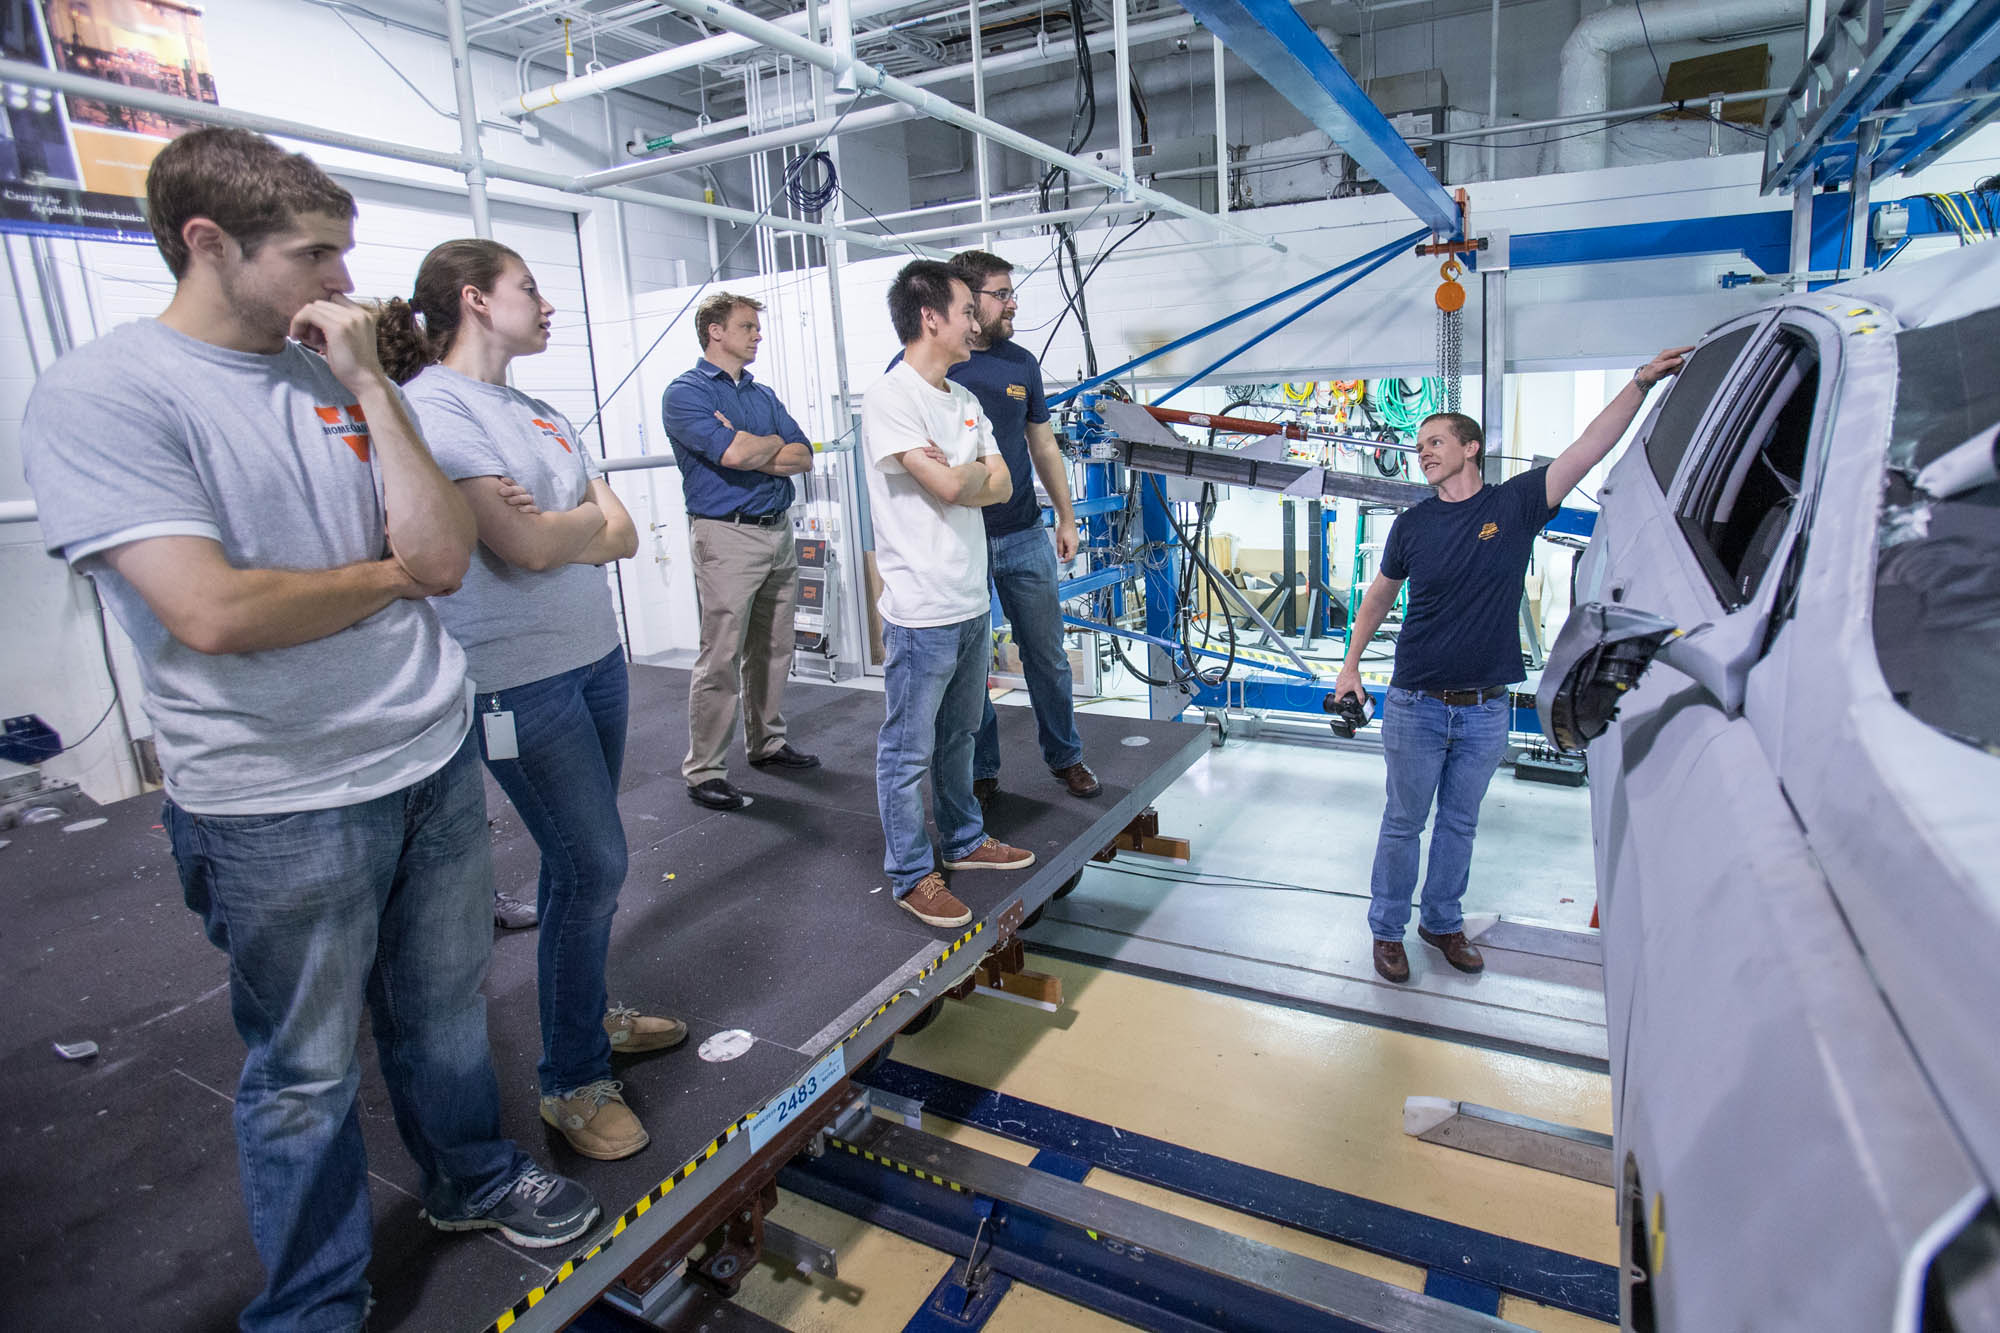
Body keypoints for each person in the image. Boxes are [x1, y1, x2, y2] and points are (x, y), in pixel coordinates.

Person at [19, 128, 596, 1333]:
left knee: (442, 1012)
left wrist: (376, 389)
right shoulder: (108, 393)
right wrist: (383, 579)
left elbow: (438, 559)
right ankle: (315, 1300)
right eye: (314, 255)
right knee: (304, 1070)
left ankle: (469, 1180)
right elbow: (213, 610)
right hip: (275, 797)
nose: (342, 282)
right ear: (207, 242)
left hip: (426, 759)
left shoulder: (339, 377)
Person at [377, 239, 685, 1163]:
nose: (547, 305)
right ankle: (572, 1079)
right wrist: (566, 524)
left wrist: (567, 524)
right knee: (592, 863)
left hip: (596, 656)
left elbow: (620, 532)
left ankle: (584, 1011)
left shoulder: (541, 412)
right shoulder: (434, 408)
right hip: (514, 678)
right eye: (530, 289)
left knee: (577, 863)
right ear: (474, 300)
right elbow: (527, 548)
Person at [1335, 347, 1691, 984]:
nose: (1425, 452)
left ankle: (1441, 921)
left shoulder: (1515, 505)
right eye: (1421, 446)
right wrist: (1351, 665)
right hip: (1415, 702)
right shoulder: (1413, 525)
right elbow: (1380, 595)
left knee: (1460, 823)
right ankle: (1387, 930)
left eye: (1437, 441)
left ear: (1471, 448)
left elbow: (1588, 447)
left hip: (1484, 709)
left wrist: (1638, 383)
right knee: (1403, 823)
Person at [863, 260, 1039, 929]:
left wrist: (961, 471)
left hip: (970, 600)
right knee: (907, 748)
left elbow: (1001, 483)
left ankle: (963, 839)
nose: (976, 322)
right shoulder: (893, 397)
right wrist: (967, 474)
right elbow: (950, 487)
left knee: (961, 733)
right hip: (921, 612)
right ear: (929, 316)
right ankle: (912, 871)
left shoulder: (962, 402)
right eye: (967, 309)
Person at [945, 250, 1097, 806]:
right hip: (961, 542)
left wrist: (1066, 514)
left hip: (1024, 532)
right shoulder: (935, 367)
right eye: (1001, 294)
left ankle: (1066, 757)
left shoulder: (1020, 363)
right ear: (966, 298)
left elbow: (1042, 443)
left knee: (1048, 656)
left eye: (1011, 293)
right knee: (972, 666)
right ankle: (984, 769)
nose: (1012, 303)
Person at [660, 293, 819, 812]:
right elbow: (732, 453)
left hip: (777, 531)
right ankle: (704, 769)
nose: (757, 335)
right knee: (721, 655)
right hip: (726, 536)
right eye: (747, 326)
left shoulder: (761, 393)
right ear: (715, 332)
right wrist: (759, 446)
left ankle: (766, 742)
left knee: (774, 648)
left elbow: (802, 454)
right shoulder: (684, 394)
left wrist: (758, 444)